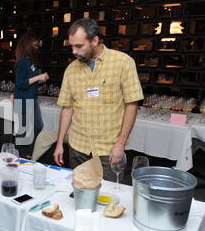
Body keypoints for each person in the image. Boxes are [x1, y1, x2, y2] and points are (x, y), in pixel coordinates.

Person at [54, 18, 144, 181]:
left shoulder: (123, 62)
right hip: (78, 148)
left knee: (108, 200)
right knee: (80, 195)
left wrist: (121, 144)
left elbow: (132, 104)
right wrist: (60, 143)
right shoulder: (71, 70)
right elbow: (67, 108)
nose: (74, 51)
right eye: (72, 46)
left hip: (108, 150)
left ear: (95, 40)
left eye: (79, 46)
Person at [14, 32, 49, 158]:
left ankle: (29, 151)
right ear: (27, 43)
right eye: (34, 42)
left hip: (31, 99)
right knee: (23, 129)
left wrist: (39, 80)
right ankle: (20, 154)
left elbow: (29, 82)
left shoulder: (30, 61)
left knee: (38, 126)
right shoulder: (23, 62)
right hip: (23, 101)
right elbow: (20, 83)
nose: (37, 44)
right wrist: (38, 77)